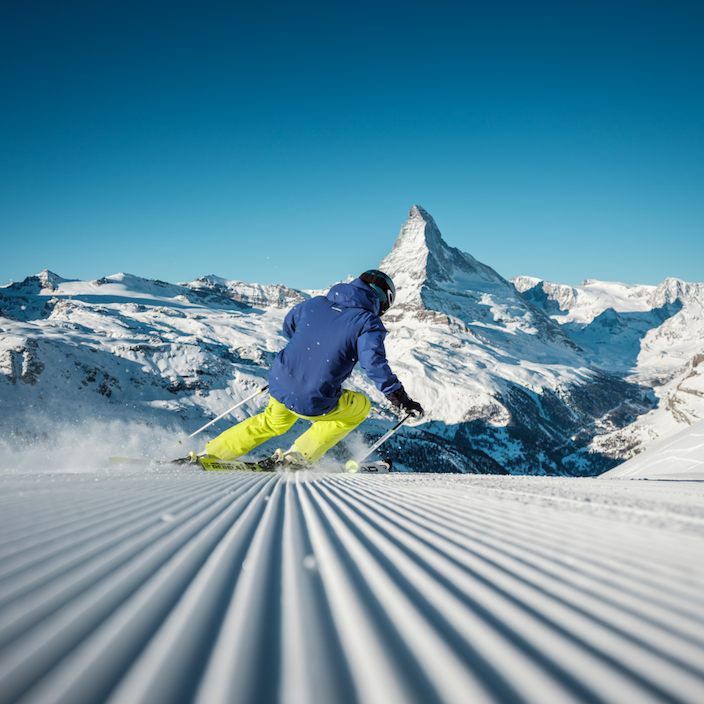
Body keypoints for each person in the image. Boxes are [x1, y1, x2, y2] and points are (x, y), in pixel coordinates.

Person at [197, 269, 424, 470]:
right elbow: (373, 363)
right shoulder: (367, 322)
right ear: (384, 300)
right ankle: (298, 457)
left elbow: (290, 326)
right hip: (313, 397)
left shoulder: (314, 303)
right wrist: (399, 398)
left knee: (271, 421)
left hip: (280, 382)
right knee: (360, 407)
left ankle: (212, 453)